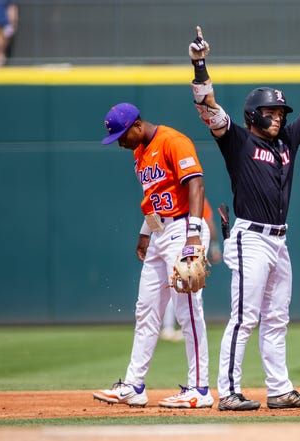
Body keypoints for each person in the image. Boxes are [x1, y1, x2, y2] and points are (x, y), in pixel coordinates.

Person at [187, 26, 300, 411]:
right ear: (253, 115)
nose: (279, 117)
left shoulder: (287, 141)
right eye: (271, 112)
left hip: (279, 240)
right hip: (250, 238)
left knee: (278, 318)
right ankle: (228, 392)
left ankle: (280, 390)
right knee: (245, 317)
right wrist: (199, 64)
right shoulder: (237, 140)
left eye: (280, 112)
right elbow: (207, 107)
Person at [92, 102, 213, 409]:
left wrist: (194, 235)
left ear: (136, 125)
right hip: (161, 233)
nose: (120, 142)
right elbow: (154, 199)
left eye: (122, 135)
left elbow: (196, 184)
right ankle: (134, 385)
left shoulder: (173, 140)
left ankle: (199, 389)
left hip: (185, 227)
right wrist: (146, 232)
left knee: (187, 310)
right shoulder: (139, 153)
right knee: (145, 310)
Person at [161, 197, 222, 342]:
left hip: (171, 241)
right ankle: (185, 326)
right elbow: (209, 224)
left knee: (174, 284)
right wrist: (214, 246)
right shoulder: (196, 197)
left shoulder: (170, 196)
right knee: (191, 286)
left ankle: (170, 327)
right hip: (190, 243)